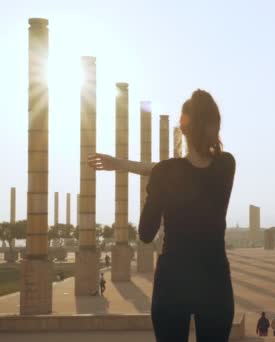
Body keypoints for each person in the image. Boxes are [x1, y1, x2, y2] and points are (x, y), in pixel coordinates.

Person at [88, 90, 236, 342]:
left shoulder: (165, 174)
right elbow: (179, 170)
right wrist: (124, 164)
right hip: (215, 283)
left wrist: (152, 188)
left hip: (172, 284)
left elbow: (145, 234)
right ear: (214, 125)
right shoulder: (226, 165)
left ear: (183, 127)